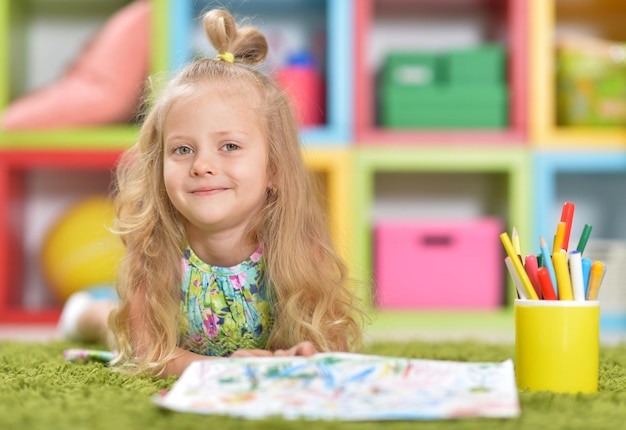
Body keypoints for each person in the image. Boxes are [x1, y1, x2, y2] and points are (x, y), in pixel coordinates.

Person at [58, 8, 365, 378]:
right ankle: (84, 313)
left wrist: (304, 354)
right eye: (183, 150)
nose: (202, 166)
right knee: (112, 324)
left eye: (230, 147)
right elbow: (149, 355)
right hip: (173, 341)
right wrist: (224, 369)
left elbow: (333, 349)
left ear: (274, 169)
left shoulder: (297, 249)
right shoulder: (157, 249)